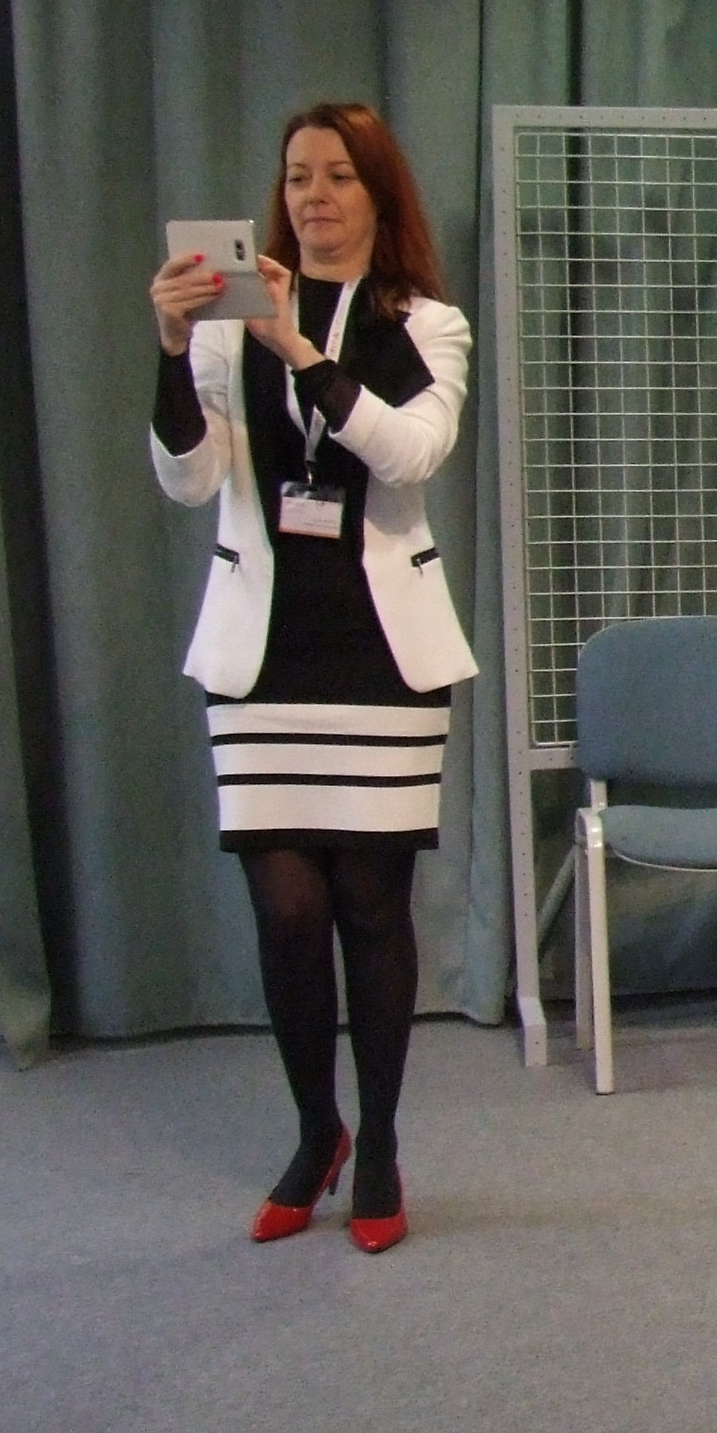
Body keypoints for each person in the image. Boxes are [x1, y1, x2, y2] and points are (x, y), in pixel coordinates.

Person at [149, 103, 476, 1255]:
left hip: (383, 655)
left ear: (378, 193)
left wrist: (298, 348)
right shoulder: (222, 328)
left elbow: (409, 453)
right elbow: (189, 479)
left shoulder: (426, 324)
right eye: (297, 177)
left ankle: (377, 1142)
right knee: (287, 913)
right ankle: (313, 1131)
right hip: (263, 655)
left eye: (338, 176)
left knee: (370, 907)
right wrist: (172, 349)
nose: (314, 197)